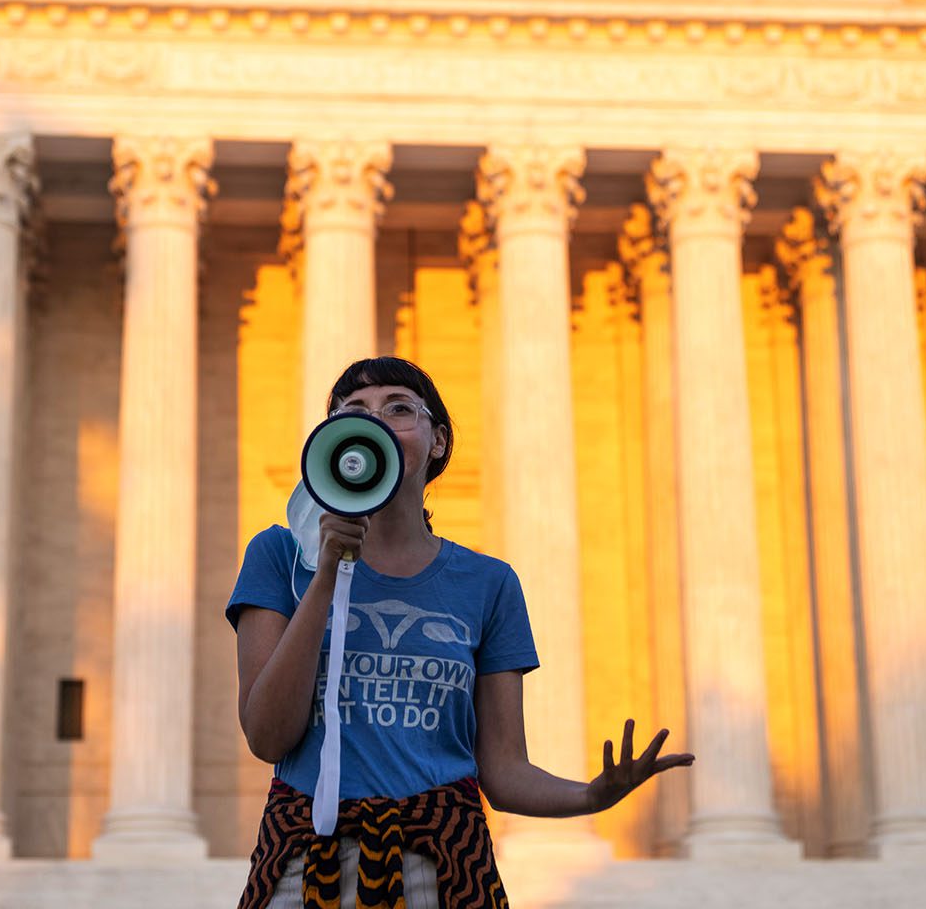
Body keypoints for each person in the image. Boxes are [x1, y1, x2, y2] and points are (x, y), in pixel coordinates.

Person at [227, 356, 692, 908]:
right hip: (309, 867)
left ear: (439, 440)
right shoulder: (281, 556)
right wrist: (328, 571)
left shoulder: (488, 584)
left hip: (442, 870)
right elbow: (267, 736)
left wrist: (592, 796)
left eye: (398, 408)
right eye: (353, 411)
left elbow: (502, 769)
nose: (375, 420)